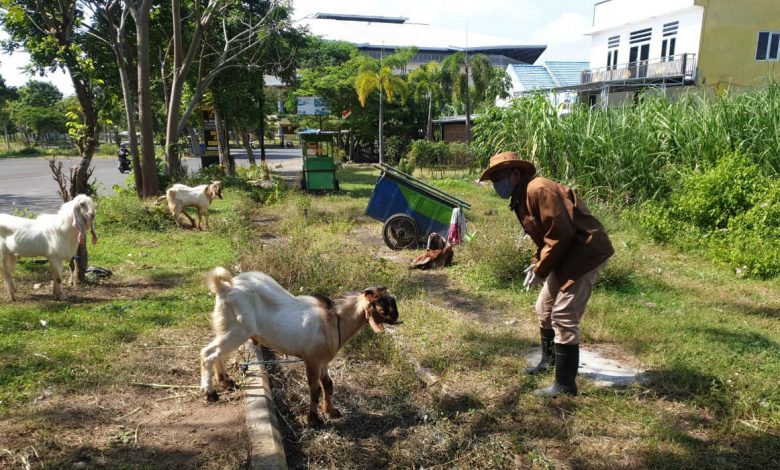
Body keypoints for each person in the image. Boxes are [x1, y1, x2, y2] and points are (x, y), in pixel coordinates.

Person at [479, 151, 614, 396]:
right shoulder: (521, 197)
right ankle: (549, 362)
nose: (495, 185)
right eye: (493, 180)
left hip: (584, 254)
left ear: (515, 174)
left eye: (498, 177)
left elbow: (560, 234)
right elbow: (543, 239)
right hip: (565, 254)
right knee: (544, 308)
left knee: (563, 315)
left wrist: (542, 269)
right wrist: (536, 262)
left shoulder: (538, 189)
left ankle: (565, 385)